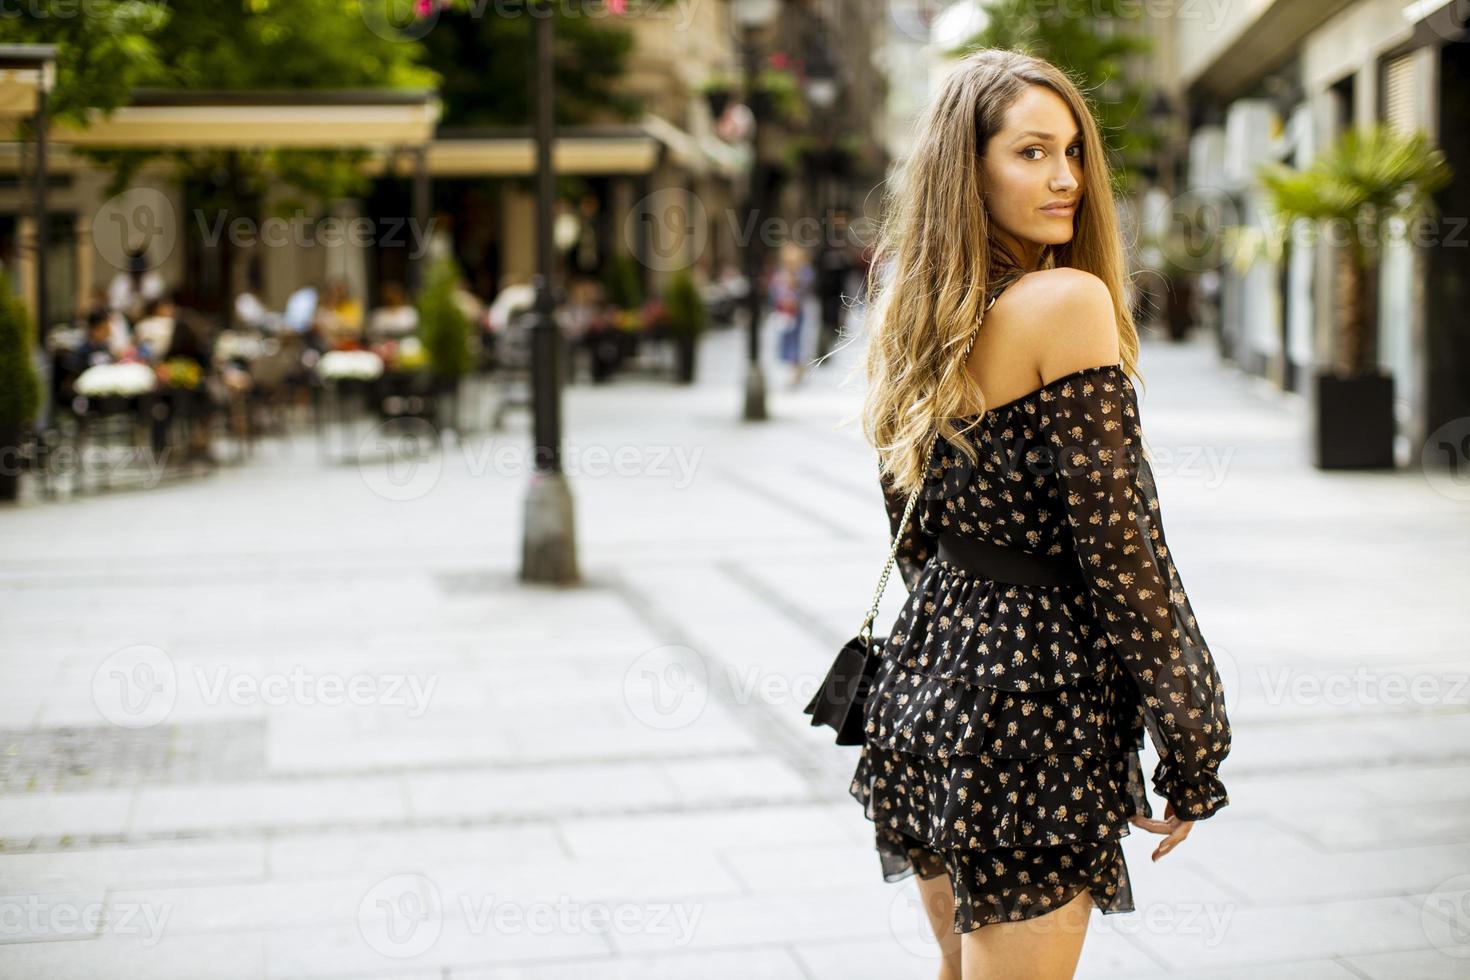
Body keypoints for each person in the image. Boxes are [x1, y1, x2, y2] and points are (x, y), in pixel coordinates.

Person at [839, 50, 1232, 979]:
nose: (1066, 178)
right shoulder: (1069, 301)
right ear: (966, 169)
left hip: (928, 682)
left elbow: (914, 527)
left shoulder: (919, 315)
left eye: (1073, 152)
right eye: (1030, 153)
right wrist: (1194, 739)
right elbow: (1126, 552)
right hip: (1031, 715)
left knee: (956, 967)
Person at [769, 242, 814, 386]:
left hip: (797, 311)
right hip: (785, 312)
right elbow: (774, 291)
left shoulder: (803, 271)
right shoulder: (780, 273)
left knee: (798, 340)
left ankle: (798, 366)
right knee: (786, 340)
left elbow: (807, 287)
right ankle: (795, 366)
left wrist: (795, 286)